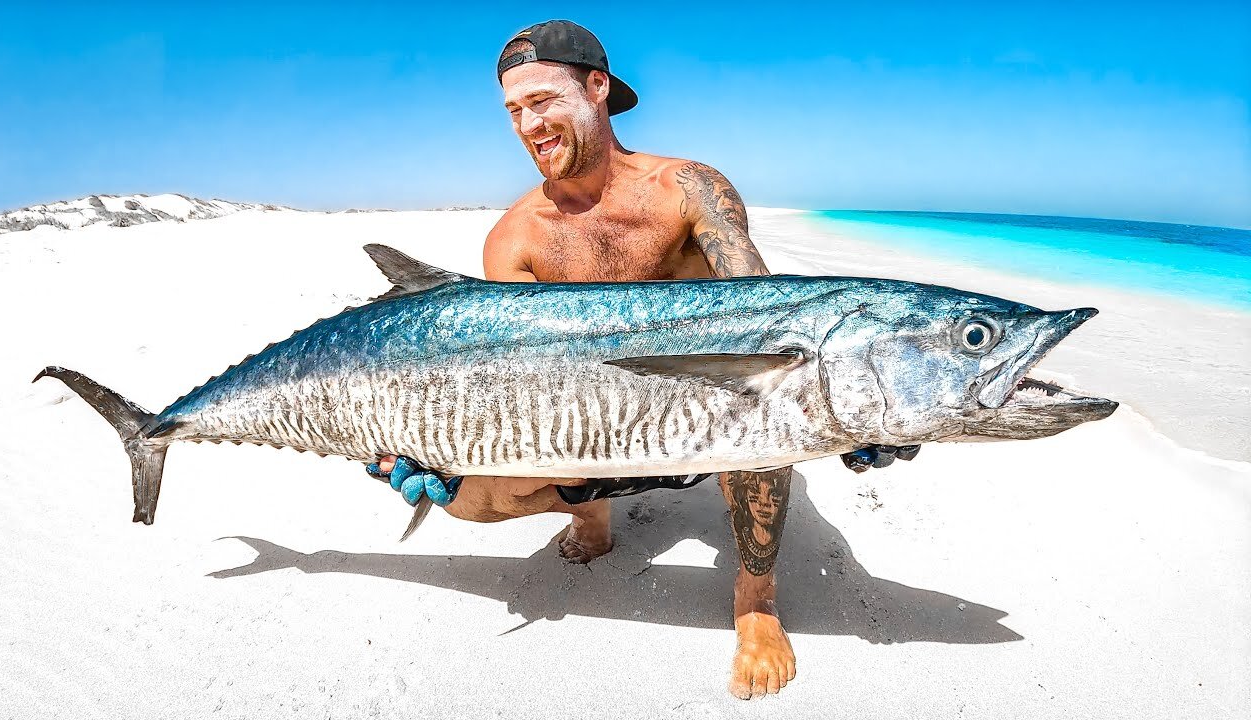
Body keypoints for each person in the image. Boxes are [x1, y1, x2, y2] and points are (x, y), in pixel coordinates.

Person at [374, 20, 915, 699]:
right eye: (514, 110)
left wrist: (859, 410)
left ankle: (755, 602)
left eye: (543, 100)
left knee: (760, 413)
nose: (527, 124)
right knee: (470, 500)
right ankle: (589, 511)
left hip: (711, 419)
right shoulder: (516, 237)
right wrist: (431, 447)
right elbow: (516, 378)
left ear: (597, 88)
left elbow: (768, 316)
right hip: (598, 429)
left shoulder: (686, 189)